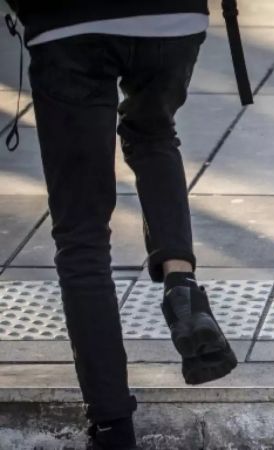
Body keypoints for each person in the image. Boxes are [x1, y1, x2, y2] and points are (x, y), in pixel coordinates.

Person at [4, 1, 237, 448]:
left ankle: (112, 426)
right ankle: (181, 284)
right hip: (172, 19)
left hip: (68, 25)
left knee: (82, 236)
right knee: (153, 133)